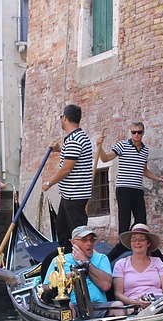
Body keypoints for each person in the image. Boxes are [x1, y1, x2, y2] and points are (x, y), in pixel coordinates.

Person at [97, 122, 163, 261]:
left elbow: (144, 170)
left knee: (141, 222)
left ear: (143, 133)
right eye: (134, 132)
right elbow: (105, 159)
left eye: (139, 132)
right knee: (125, 224)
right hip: (123, 189)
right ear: (131, 132)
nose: (136, 135)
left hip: (137, 190)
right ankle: (119, 251)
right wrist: (99, 146)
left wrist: (157, 178)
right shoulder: (122, 145)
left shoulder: (145, 150)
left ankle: (143, 248)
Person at [42, 225, 123, 318]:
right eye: (84, 240)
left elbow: (106, 285)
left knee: (119, 306)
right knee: (67, 308)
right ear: (73, 243)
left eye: (92, 240)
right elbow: (45, 287)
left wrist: (86, 262)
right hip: (71, 305)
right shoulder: (59, 260)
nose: (89, 243)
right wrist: (63, 282)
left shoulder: (101, 258)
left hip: (98, 306)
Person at [42, 104, 93, 250]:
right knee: (63, 232)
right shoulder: (76, 138)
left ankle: (82, 263)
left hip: (75, 196)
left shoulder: (74, 140)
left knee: (79, 235)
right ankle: (66, 260)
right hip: (69, 195)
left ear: (64, 118)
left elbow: (66, 169)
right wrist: (59, 149)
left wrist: (49, 183)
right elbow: (72, 157)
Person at [113, 224, 163, 310]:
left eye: (141, 239)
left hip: (158, 304)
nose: (137, 242)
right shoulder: (121, 264)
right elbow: (118, 294)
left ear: (148, 243)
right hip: (133, 307)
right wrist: (136, 303)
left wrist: (162, 303)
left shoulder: (157, 262)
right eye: (134, 239)